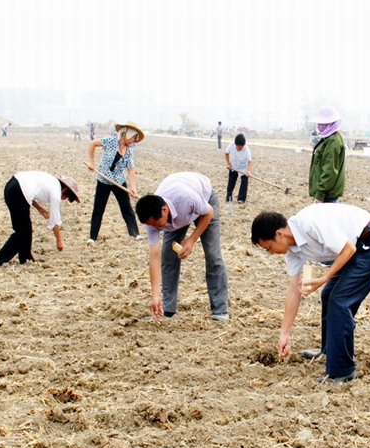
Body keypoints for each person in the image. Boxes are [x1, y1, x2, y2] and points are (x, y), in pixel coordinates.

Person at [251, 204, 370, 383]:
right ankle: (329, 351)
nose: (271, 253)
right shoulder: (292, 251)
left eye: (269, 247)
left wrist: (324, 278)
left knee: (340, 301)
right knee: (328, 295)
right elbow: (294, 289)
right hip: (353, 248)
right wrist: (284, 333)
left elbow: (348, 248)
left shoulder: (309, 223)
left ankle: (342, 371)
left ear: (279, 234)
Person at [135, 172, 230, 321]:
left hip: (203, 201)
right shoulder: (151, 221)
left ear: (164, 210)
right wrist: (155, 296)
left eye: (156, 224)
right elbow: (154, 256)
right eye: (151, 225)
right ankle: (167, 309)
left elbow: (209, 212)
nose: (155, 229)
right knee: (167, 256)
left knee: (212, 254)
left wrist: (192, 239)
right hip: (178, 212)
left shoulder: (187, 198)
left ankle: (220, 310)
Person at [0, 171, 80, 265]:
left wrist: (39, 209)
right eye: (66, 196)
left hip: (13, 185)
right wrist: (59, 242)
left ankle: (26, 258)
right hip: (17, 191)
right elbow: (55, 220)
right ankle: (0, 258)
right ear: (64, 189)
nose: (64, 199)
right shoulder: (56, 192)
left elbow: (30, 191)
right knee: (22, 231)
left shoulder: (51, 181)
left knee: (26, 229)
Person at [86, 121, 143, 243]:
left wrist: (133, 187)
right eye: (133, 137)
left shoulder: (129, 151)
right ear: (125, 134)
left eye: (135, 138)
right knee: (98, 209)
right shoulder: (110, 142)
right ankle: (92, 237)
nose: (133, 140)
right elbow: (92, 143)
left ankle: (135, 233)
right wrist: (91, 162)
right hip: (104, 180)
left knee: (126, 207)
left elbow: (131, 169)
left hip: (119, 181)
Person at [309, 106, 346, 203]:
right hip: (326, 192)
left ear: (330, 124)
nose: (319, 126)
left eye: (322, 123)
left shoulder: (333, 141)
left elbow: (329, 171)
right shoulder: (328, 138)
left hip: (327, 194)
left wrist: (320, 194)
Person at [225, 133, 252, 204]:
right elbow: (226, 154)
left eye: (242, 146)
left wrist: (248, 171)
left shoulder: (246, 149)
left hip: (243, 167)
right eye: (239, 146)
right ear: (235, 144)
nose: (240, 148)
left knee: (244, 182)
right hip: (234, 166)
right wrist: (228, 163)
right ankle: (229, 197)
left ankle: (241, 199)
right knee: (231, 182)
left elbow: (250, 161)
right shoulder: (231, 145)